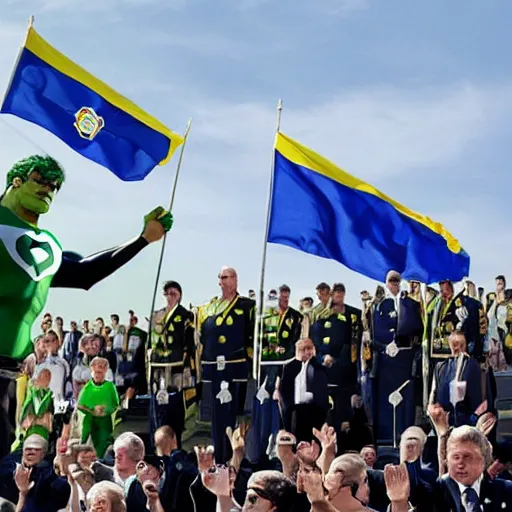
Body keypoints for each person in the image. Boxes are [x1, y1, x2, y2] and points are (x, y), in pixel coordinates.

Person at [0, 154, 173, 458]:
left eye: (54, 186)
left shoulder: (47, 246)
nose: (48, 190)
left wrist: (142, 239)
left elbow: (84, 272)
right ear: (16, 180)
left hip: (8, 375)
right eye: (40, 181)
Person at [198, 266, 255, 462]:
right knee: (216, 414)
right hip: (214, 367)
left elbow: (252, 335)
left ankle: (235, 458)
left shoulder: (247, 305)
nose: (225, 281)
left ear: (236, 280)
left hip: (236, 365)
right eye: (222, 277)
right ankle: (220, 456)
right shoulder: (210, 307)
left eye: (229, 277)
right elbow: (204, 335)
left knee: (235, 414)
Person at [368, 270, 423, 445]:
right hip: (386, 360)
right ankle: (385, 438)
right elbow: (372, 332)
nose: (394, 284)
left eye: (397, 280)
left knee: (404, 397)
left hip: (404, 358)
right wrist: (385, 346)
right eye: (391, 280)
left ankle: (404, 436)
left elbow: (418, 329)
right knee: (385, 400)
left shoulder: (411, 304)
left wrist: (404, 343)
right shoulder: (378, 305)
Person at [250, 284, 303, 464]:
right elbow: (261, 338)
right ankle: (264, 442)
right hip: (267, 366)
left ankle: (281, 439)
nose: (284, 301)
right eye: (282, 298)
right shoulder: (267, 316)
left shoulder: (296, 317)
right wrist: (271, 348)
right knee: (265, 403)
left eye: (287, 298)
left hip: (286, 367)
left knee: (283, 405)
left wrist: (285, 351)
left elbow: (297, 340)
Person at [309, 282, 363, 430]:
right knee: (327, 411)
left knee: (346, 410)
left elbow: (356, 340)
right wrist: (322, 357)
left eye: (341, 292)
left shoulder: (354, 314)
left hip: (346, 370)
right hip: (326, 370)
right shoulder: (320, 315)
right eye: (336, 292)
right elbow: (315, 342)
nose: (338, 295)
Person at [277, 338, 329, 443]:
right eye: (303, 349)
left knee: (313, 441)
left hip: (314, 409)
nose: (306, 352)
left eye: (309, 348)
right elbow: (283, 390)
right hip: (295, 410)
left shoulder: (317, 366)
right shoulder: (288, 367)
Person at [77, 357, 119, 458]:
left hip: (105, 421)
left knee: (104, 444)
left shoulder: (110, 387)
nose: (98, 374)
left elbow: (115, 404)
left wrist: (105, 411)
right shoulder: (87, 387)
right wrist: (92, 411)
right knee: (86, 443)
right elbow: (80, 405)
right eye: (96, 371)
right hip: (90, 420)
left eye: (100, 372)